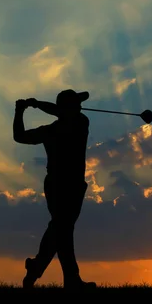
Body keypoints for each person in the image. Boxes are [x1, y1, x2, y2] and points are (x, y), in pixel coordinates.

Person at [13, 89, 96, 290]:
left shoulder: (79, 122)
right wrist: (24, 109)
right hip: (60, 185)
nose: (80, 106)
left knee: (60, 230)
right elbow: (19, 137)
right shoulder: (64, 127)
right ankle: (71, 280)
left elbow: (21, 135)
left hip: (72, 185)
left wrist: (29, 106)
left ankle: (36, 267)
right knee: (63, 230)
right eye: (76, 103)